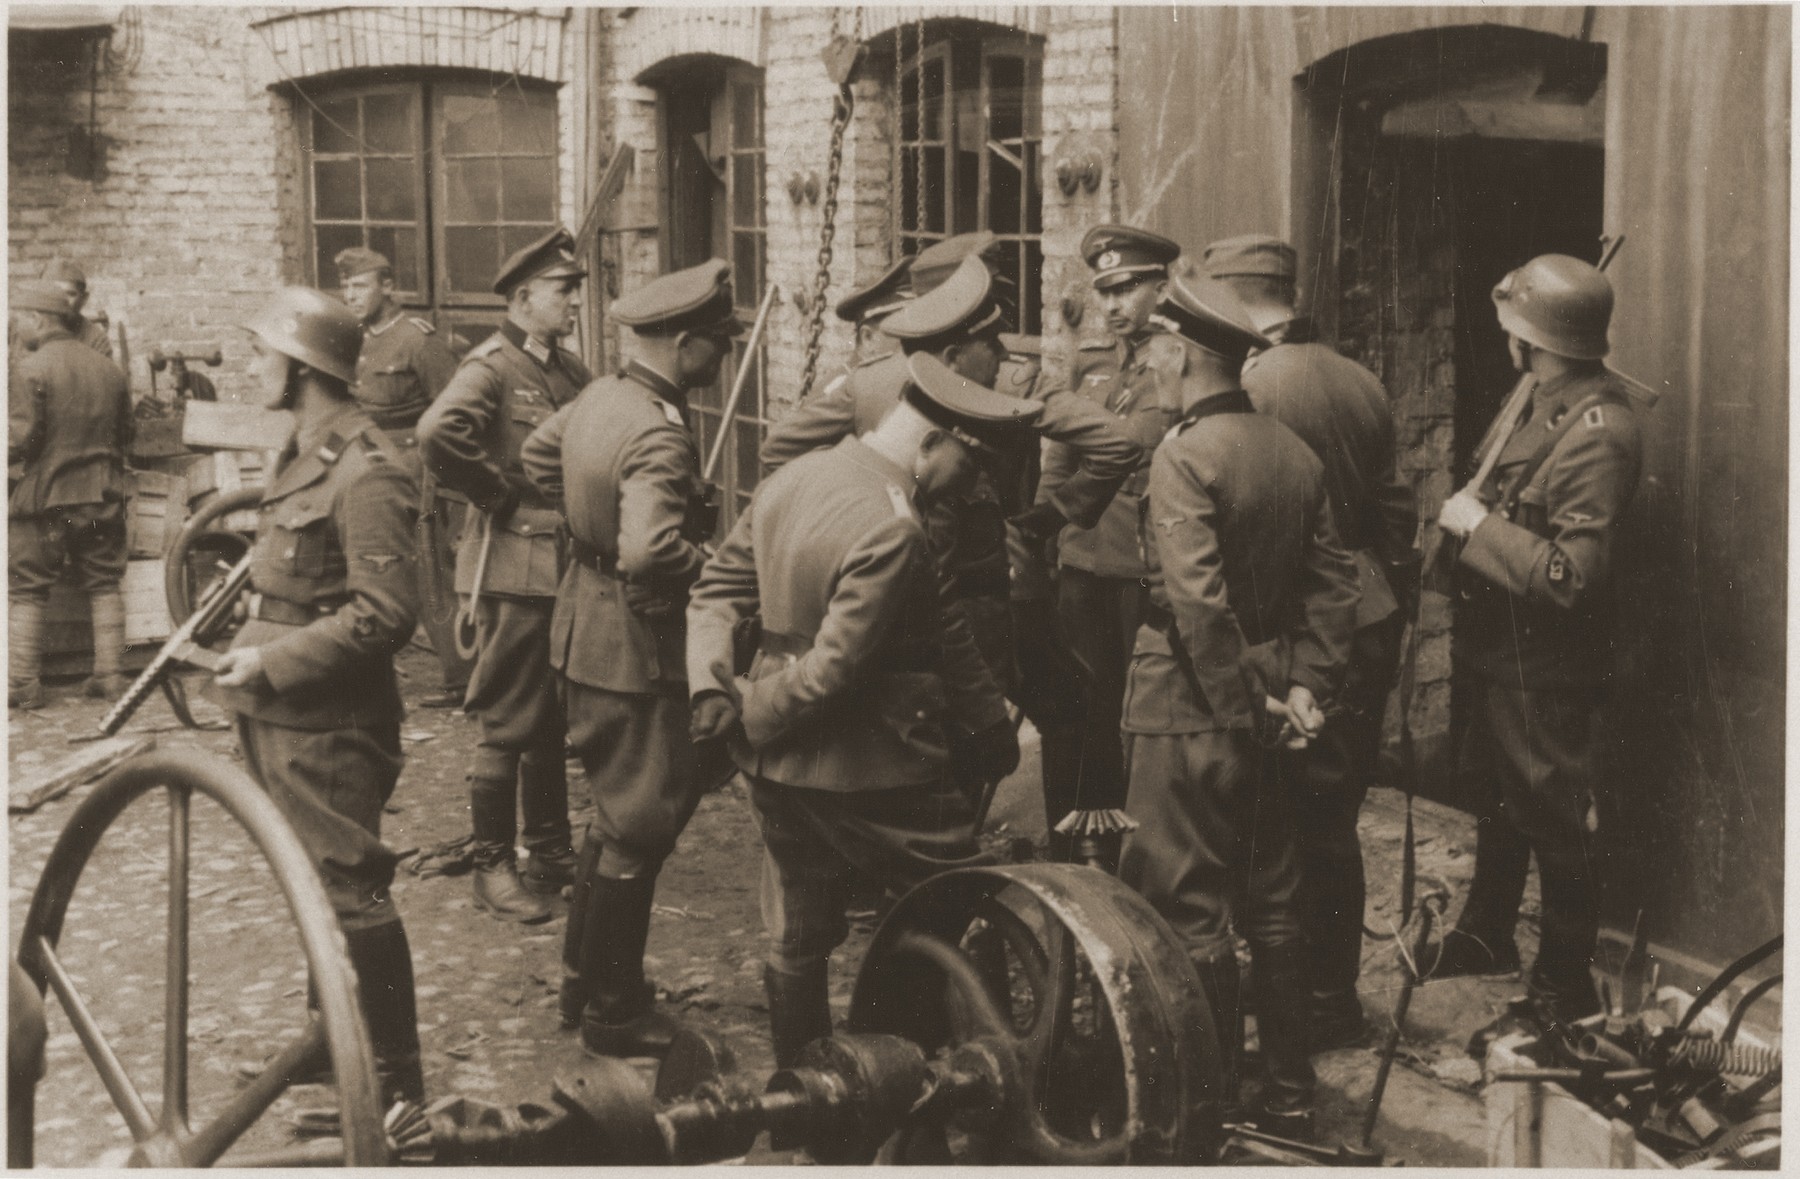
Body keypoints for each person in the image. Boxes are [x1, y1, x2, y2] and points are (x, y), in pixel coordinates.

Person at [687, 352, 1037, 1068]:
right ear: (930, 441)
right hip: (874, 765)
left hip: (772, 763)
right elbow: (834, 671)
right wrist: (745, 707)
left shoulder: (793, 476)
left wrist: (713, 687)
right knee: (942, 901)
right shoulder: (894, 526)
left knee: (797, 928)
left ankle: (804, 1096)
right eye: (967, 467)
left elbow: (713, 590)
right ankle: (908, 1078)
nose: (964, 487)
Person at [761, 240, 1142, 856]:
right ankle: (1020, 870)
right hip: (984, 594)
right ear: (955, 345)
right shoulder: (1016, 377)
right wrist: (1046, 519)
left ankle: (940, 871)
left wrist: (857, 515)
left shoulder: (867, 383)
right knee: (985, 728)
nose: (997, 354)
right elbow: (1119, 446)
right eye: (988, 340)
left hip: (928, 594)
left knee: (944, 727)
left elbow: (779, 451)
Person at [1118, 273, 1358, 1137]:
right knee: (1277, 902)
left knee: (1189, 908)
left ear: (1181, 355)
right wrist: (1304, 690)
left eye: (1153, 350)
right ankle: (1290, 1094)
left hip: (1188, 712)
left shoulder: (1182, 456)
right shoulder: (1294, 452)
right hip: (1271, 708)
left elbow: (1195, 605)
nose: (1147, 364)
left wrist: (1243, 710)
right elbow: (1337, 586)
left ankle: (1208, 1105)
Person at [519, 259, 743, 1057]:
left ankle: (585, 979)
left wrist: (591, 521)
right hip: (634, 646)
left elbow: (541, 460)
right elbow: (650, 552)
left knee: (615, 814)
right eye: (718, 343)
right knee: (642, 821)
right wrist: (709, 562)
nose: (723, 356)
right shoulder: (655, 426)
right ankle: (615, 1011)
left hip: (582, 626)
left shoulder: (599, 397)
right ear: (684, 345)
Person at [209, 286, 425, 1105]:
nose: (253, 364)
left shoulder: (367, 469)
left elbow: (385, 616)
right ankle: (339, 1055)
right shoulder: (302, 451)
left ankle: (401, 1096)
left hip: (331, 727)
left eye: (265, 353)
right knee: (312, 887)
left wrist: (270, 663)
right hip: (279, 715)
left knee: (351, 894)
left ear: (303, 368)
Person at [1203, 234, 1420, 1048]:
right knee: (1335, 815)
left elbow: (1253, 521)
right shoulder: (1357, 376)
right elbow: (1396, 516)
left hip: (1299, 627)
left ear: (1233, 294)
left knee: (1290, 824)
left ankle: (1307, 998)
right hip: (1362, 615)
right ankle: (1328, 992)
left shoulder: (1255, 384)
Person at [1421, 254, 1641, 1025]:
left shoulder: (1597, 430)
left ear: (1531, 338)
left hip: (1544, 666)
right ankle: (1486, 933)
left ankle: (1561, 985)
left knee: (1554, 818)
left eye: (1513, 328)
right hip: (1500, 652)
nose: (1506, 341)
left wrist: (1481, 529)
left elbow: (1571, 576)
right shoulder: (1545, 398)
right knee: (1495, 799)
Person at [418, 228, 590, 923]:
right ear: (522, 299)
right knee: (507, 719)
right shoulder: (490, 368)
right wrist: (495, 493)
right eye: (562, 290)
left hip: (560, 565)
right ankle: (492, 862)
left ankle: (549, 848)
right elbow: (437, 434)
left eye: (574, 289)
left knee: (546, 717)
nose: (574, 301)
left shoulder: (568, 370)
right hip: (511, 564)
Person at [1033, 224, 1214, 866]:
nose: (1113, 304)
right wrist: (1046, 530)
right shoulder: (1089, 359)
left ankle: (1120, 852)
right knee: (1079, 706)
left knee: (1130, 713)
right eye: (1105, 290)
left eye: (1129, 287)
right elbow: (1059, 457)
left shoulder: (1182, 360)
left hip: (1142, 568)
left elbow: (1140, 447)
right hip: (1082, 558)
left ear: (1161, 287)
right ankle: (1066, 838)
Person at [335, 246, 470, 709]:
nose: (350, 295)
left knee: (430, 569)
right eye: (346, 287)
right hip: (371, 464)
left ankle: (462, 678)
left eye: (360, 286)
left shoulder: (418, 340)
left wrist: (439, 473)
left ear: (388, 287)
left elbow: (453, 411)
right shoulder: (356, 340)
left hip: (417, 468)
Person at [8, 281, 133, 709]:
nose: (14, 325)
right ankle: (111, 677)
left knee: (27, 586)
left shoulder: (29, 368)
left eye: (18, 317)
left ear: (38, 320)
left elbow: (18, 440)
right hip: (102, 496)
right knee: (103, 583)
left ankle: (23, 685)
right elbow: (127, 435)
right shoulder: (109, 369)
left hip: (47, 498)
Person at [43, 259, 112, 358]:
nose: (62, 300)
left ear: (83, 299)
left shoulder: (96, 339)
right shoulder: (31, 331)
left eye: (70, 294)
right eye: (54, 292)